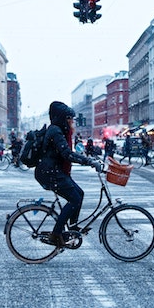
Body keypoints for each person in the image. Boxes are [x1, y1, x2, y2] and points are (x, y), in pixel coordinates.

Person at [34, 101, 102, 246]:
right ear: (62, 118)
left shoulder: (59, 130)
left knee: (80, 194)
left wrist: (89, 159)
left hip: (53, 171)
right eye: (70, 118)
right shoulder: (56, 131)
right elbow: (67, 154)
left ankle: (72, 227)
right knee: (74, 199)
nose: (72, 121)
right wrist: (89, 162)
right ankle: (56, 234)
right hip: (49, 172)